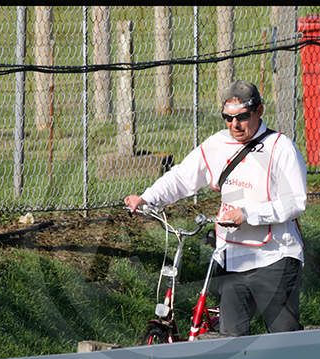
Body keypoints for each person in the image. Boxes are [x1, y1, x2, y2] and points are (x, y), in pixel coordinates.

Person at [124, 80, 307, 336]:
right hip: (231, 259)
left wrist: (248, 215)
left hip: (275, 257)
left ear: (259, 111)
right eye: (228, 118)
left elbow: (295, 202)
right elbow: (182, 177)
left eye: (242, 117)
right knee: (230, 341)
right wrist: (148, 198)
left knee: (284, 336)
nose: (235, 125)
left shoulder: (281, 148)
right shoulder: (217, 145)